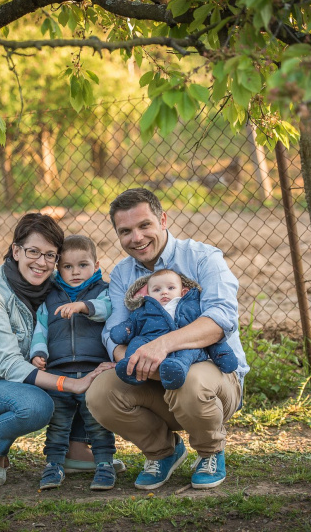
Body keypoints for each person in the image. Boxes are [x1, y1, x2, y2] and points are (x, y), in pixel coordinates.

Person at [87, 188, 250, 491]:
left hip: (211, 374)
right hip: (152, 378)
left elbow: (220, 321)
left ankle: (211, 451)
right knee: (100, 393)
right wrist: (128, 358)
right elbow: (114, 332)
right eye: (125, 231)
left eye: (144, 225)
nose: (136, 238)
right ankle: (163, 452)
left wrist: (163, 345)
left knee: (190, 381)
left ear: (162, 219)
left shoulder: (203, 258)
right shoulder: (124, 274)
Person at [0, 213, 113, 487]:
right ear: (16, 251)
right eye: (33, 252)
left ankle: (75, 450)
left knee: (75, 367)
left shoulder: (57, 286)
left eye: (50, 255)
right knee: (40, 404)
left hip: (28, 380)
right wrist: (70, 384)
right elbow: (9, 366)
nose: (41, 262)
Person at [29, 235, 117, 491]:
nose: (75, 272)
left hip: (93, 371)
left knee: (97, 421)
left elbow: (107, 309)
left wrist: (83, 306)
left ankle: (104, 464)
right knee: (58, 423)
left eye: (83, 265)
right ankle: (54, 464)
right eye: (68, 267)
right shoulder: (50, 296)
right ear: (58, 269)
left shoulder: (103, 291)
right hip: (59, 374)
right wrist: (38, 353)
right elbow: (40, 328)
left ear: (96, 265)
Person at [112, 268, 238, 390]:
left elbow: (207, 334)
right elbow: (132, 324)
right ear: (147, 294)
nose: (164, 292)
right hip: (149, 340)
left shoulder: (191, 308)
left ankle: (176, 368)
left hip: (184, 344)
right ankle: (131, 367)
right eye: (157, 290)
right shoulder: (144, 310)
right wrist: (124, 331)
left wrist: (222, 353)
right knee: (137, 343)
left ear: (183, 292)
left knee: (188, 352)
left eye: (171, 288)